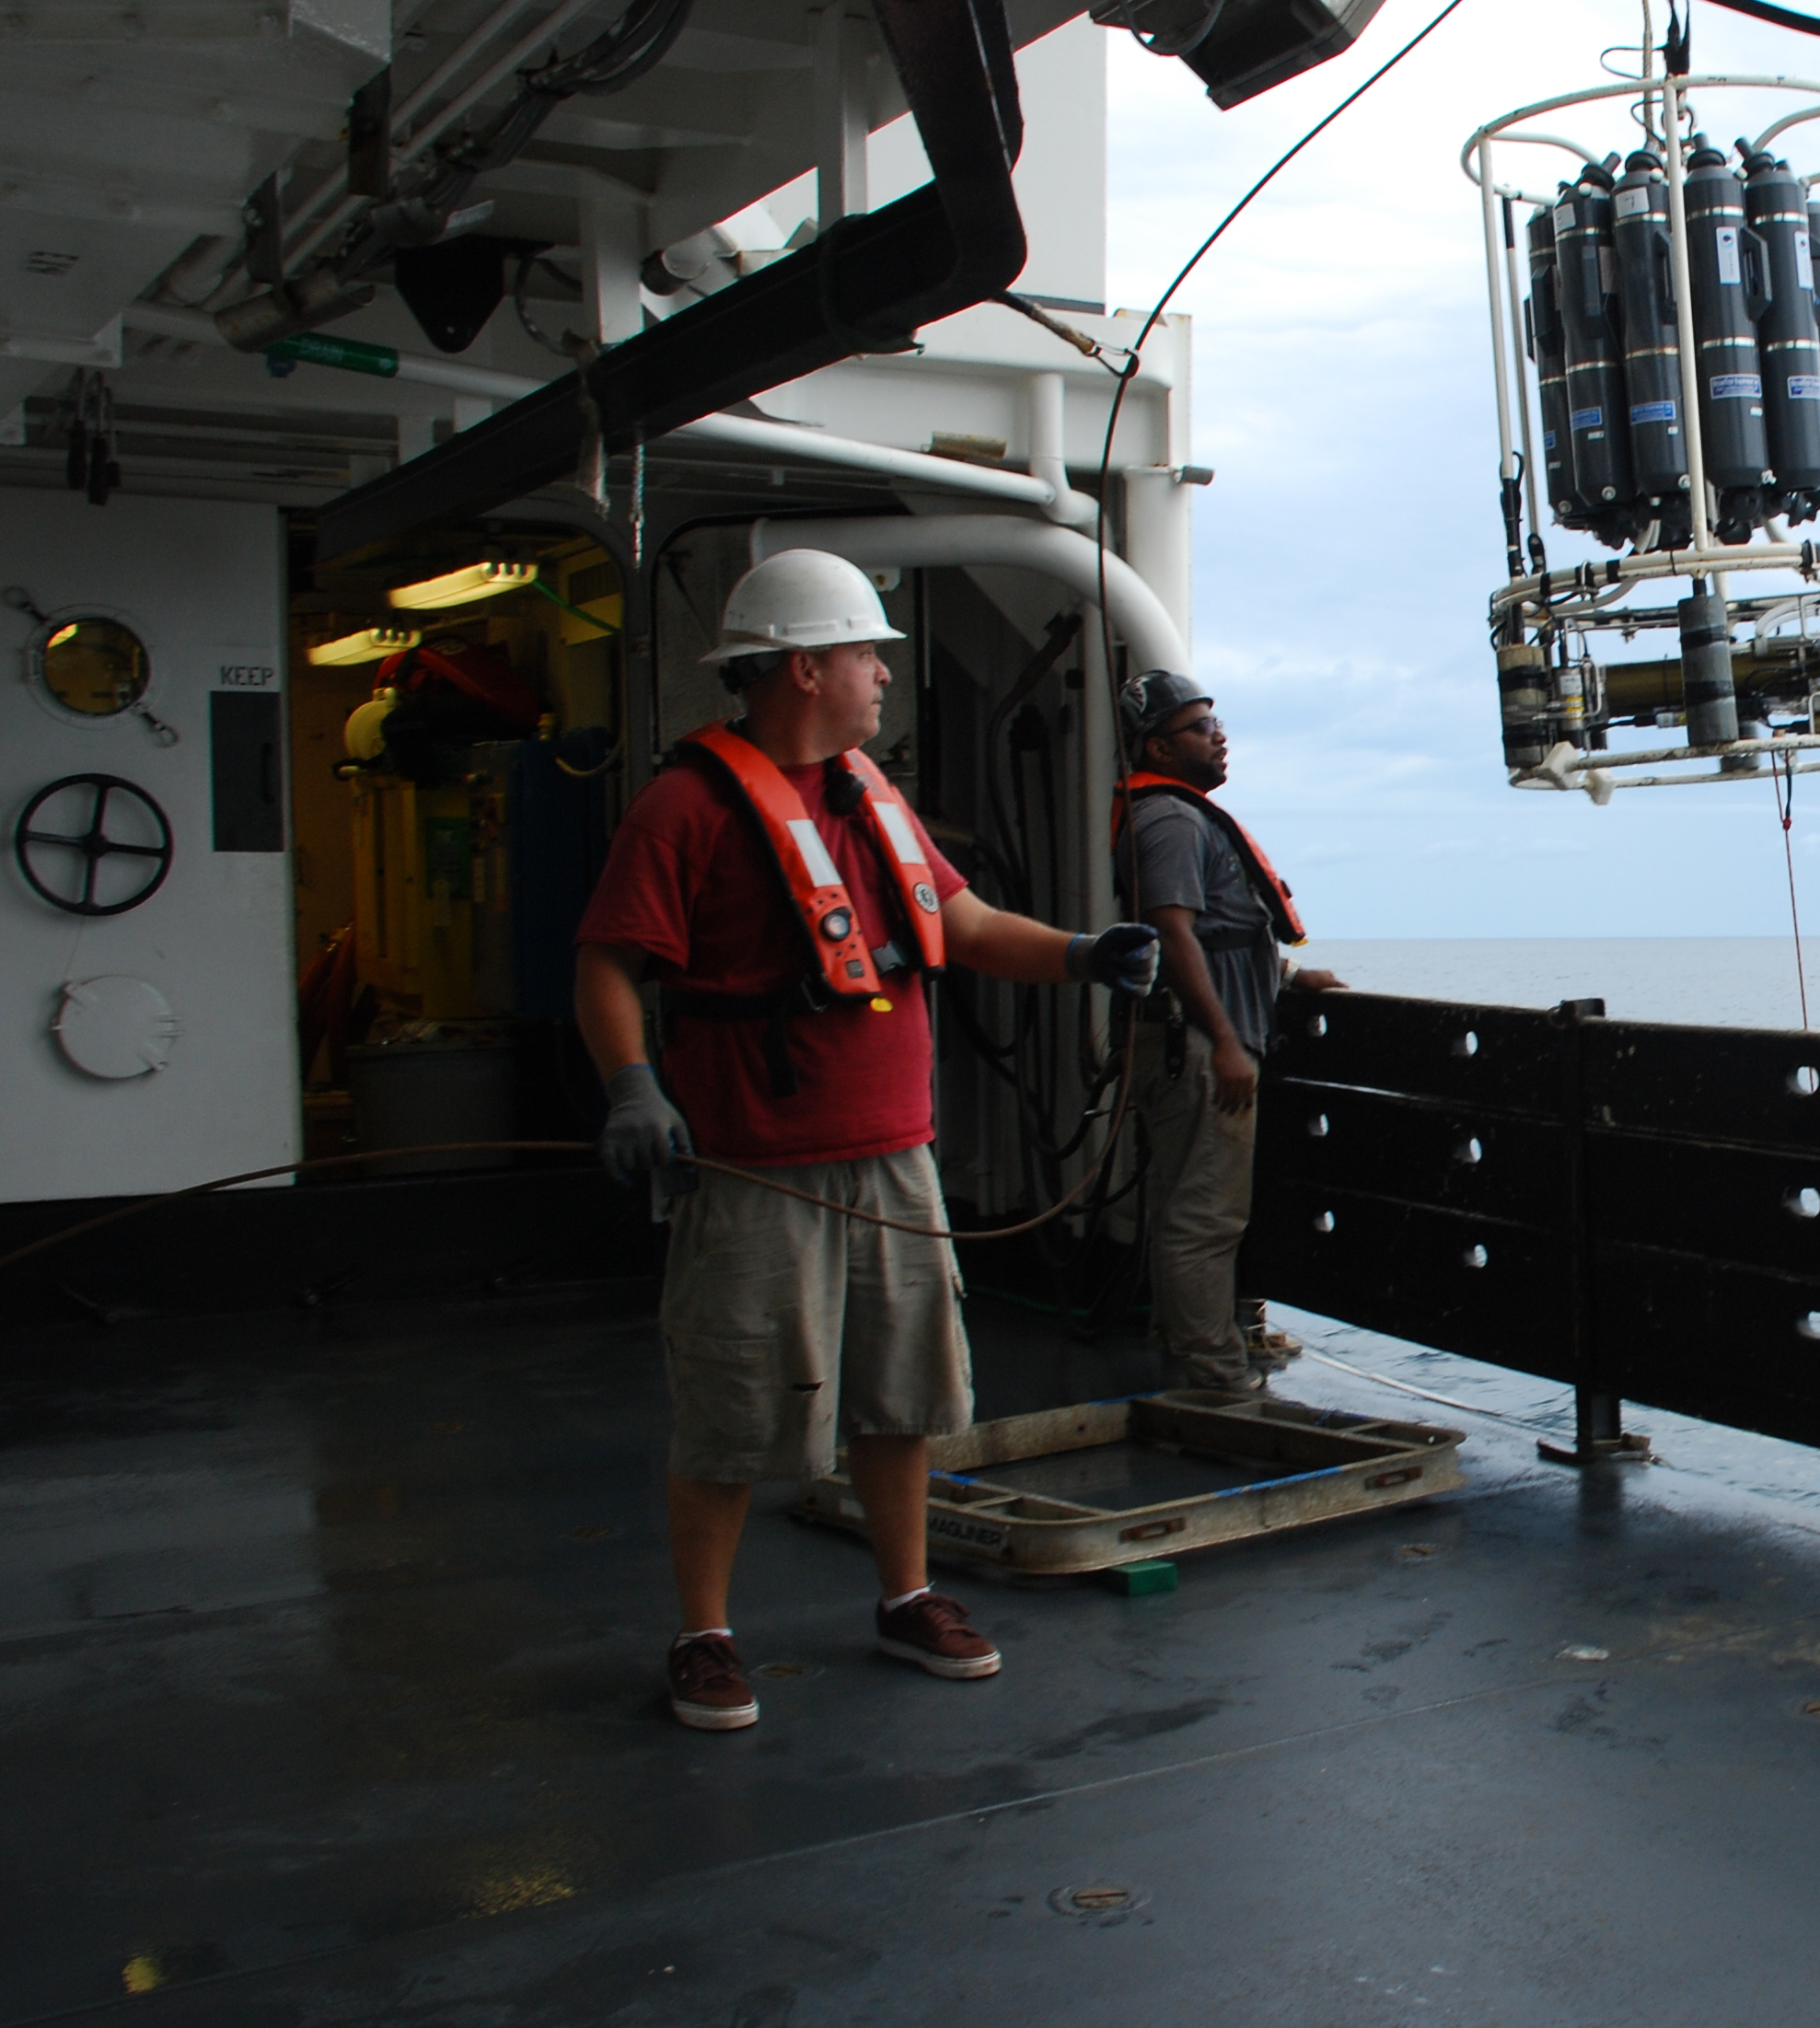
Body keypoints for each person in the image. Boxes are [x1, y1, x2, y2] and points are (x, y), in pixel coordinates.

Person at [574, 550, 1161, 1734]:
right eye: (865, 653)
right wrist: (633, 1088)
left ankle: (906, 1598)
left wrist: (1082, 954)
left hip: (895, 1157)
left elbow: (967, 923)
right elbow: (607, 963)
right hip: (756, 1169)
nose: (885, 674)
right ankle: (704, 1636)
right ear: (804, 668)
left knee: (904, 1397)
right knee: (732, 1409)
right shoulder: (683, 810)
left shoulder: (870, 796)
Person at [1109, 667, 1342, 1397]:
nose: (1220, 737)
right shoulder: (1173, 822)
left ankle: (1183, 1343)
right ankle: (1217, 1376)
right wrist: (1227, 1042)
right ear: (1159, 748)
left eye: (1216, 723)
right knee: (1206, 1216)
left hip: (1194, 1042)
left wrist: (1290, 977)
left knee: (1184, 1204)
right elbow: (1173, 934)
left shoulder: (1175, 816)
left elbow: (1219, 934)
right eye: (1201, 728)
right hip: (1200, 1049)